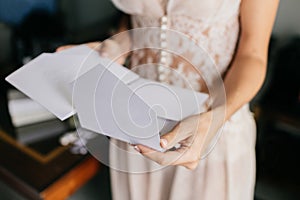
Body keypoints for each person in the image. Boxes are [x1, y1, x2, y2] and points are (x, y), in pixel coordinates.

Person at [57, 0, 279, 199]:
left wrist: (215, 118)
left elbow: (253, 54)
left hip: (209, 129)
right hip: (135, 124)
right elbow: (138, 18)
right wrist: (120, 45)